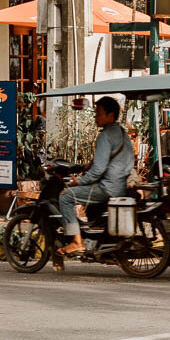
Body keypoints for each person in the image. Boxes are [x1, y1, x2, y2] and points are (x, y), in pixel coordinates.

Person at [56, 97, 133, 257]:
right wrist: (86, 166)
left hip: (108, 187)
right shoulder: (121, 132)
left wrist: (79, 181)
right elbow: (107, 160)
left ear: (110, 115)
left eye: (99, 113)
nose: (95, 117)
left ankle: (77, 242)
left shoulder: (105, 136)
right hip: (120, 184)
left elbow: (98, 170)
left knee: (66, 197)